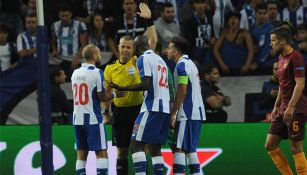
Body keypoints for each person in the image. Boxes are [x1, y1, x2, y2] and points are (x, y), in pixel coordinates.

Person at [109, 3, 169, 175]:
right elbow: (153, 41)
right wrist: (149, 20)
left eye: (131, 47)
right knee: (155, 147)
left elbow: (146, 85)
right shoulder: (160, 60)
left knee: (135, 144)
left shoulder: (142, 59)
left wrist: (122, 87)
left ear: (135, 49)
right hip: (163, 107)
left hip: (149, 107)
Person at [71, 44, 124, 175]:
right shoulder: (97, 73)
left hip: (77, 119)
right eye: (99, 53)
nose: (100, 55)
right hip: (93, 119)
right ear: (94, 56)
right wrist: (116, 94)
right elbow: (102, 97)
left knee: (81, 154)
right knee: (101, 154)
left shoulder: (75, 73)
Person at [265, 27, 307, 175]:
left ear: (283, 41)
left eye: (273, 41)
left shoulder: (296, 56)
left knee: (295, 148)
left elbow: (300, 83)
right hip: (283, 108)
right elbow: (283, 85)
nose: (271, 44)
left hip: (296, 108)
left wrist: (291, 107)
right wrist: (277, 106)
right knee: (270, 145)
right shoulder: (281, 58)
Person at [166, 36, 206, 174]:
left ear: (175, 51)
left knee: (179, 148)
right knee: (190, 150)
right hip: (197, 112)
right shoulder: (191, 64)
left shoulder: (181, 65)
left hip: (186, 112)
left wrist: (173, 112)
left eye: (169, 48)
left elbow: (182, 91)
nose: (167, 50)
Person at [213, 11, 254, 75]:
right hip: (225, 68)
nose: (233, 20)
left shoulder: (245, 33)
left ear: (239, 21)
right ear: (228, 21)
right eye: (231, 18)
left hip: (240, 68)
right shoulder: (224, 33)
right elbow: (215, 50)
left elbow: (251, 50)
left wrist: (247, 65)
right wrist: (222, 64)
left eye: (235, 18)